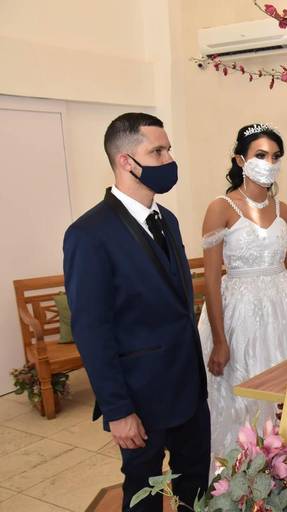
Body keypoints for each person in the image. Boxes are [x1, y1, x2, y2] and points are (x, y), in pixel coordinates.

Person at [63, 113, 210, 512]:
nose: (169, 160)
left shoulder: (168, 220)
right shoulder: (89, 234)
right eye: (157, 152)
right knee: (143, 494)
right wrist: (118, 411)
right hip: (141, 396)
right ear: (126, 161)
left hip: (189, 388)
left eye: (168, 150)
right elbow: (92, 330)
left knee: (196, 485)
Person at [198, 123, 287, 473]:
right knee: (244, 398)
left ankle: (286, 471)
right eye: (261, 155)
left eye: (275, 156)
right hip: (240, 314)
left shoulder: (284, 210)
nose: (269, 163)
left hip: (286, 309)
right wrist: (220, 340)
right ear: (240, 160)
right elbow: (211, 280)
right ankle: (243, 478)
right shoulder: (221, 207)